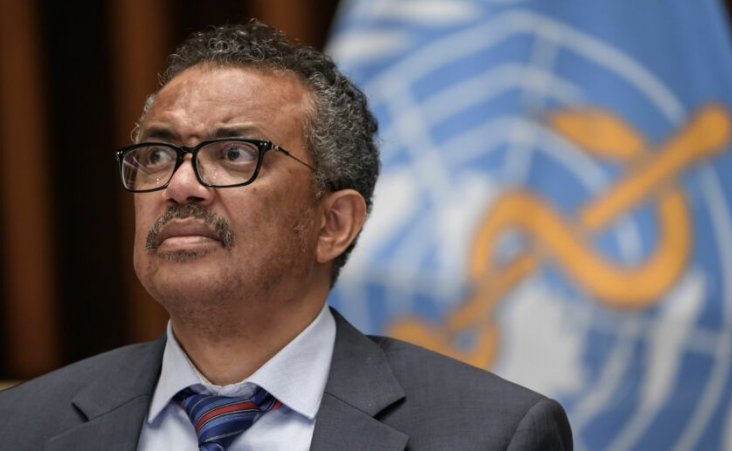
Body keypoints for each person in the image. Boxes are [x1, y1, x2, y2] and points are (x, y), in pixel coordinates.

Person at [0, 19, 572, 450]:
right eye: (157, 154)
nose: (178, 185)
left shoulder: (490, 435)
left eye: (233, 153)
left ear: (333, 224)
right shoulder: (23, 426)